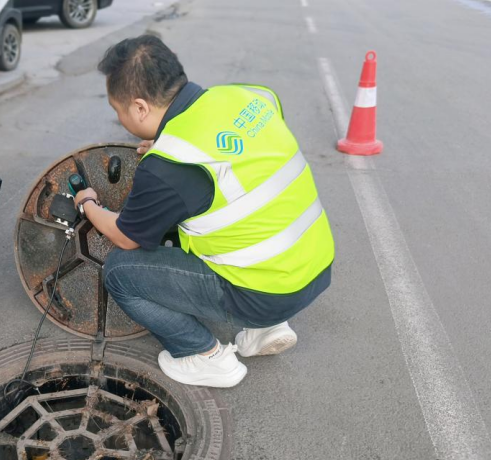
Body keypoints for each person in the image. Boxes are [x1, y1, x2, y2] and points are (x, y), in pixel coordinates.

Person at [75, 35, 334, 388]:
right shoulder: (250, 97)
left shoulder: (170, 165)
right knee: (221, 216)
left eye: (116, 109)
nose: (119, 118)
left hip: (266, 291)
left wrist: (89, 204)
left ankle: (205, 355)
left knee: (121, 272)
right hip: (313, 268)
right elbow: (239, 155)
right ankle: (265, 329)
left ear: (139, 108)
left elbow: (125, 235)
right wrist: (166, 144)